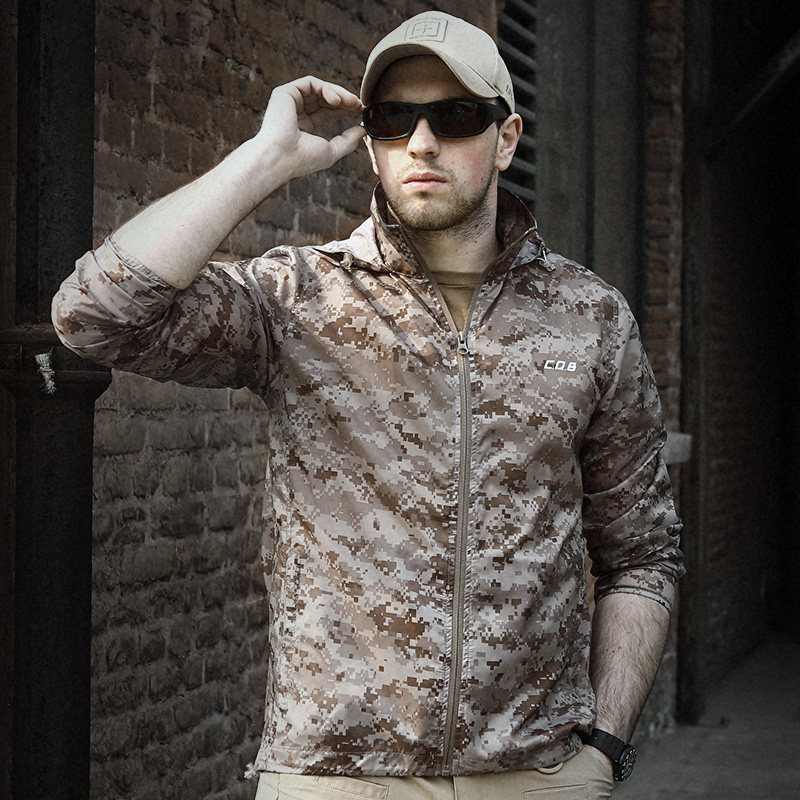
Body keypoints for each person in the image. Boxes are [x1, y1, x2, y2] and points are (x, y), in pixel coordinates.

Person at [52, 10, 683, 800]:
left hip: (535, 773)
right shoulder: (301, 298)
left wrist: (606, 750)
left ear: (507, 138)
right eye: (393, 119)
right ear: (374, 141)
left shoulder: (590, 319)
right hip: (335, 776)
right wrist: (262, 160)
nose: (422, 143)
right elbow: (92, 316)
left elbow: (642, 553)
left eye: (456, 116)